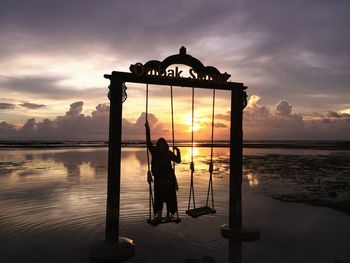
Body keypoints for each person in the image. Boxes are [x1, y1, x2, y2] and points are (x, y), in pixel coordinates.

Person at [145, 121, 181, 221]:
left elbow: (178, 161)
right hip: (159, 178)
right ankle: (159, 214)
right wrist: (148, 130)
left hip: (169, 178)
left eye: (163, 144)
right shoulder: (154, 151)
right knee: (159, 196)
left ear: (165, 145)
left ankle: (169, 214)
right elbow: (148, 143)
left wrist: (178, 151)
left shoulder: (169, 153)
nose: (161, 146)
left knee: (170, 195)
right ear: (158, 145)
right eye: (160, 144)